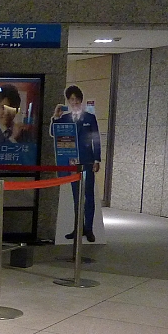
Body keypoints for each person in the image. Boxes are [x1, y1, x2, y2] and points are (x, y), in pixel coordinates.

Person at [51, 85, 101, 242]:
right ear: (68, 101)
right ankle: (78, 227)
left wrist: (97, 159)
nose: (74, 102)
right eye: (72, 99)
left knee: (89, 195)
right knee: (76, 196)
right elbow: (54, 133)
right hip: (72, 162)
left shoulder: (89, 118)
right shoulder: (64, 118)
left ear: (81, 100)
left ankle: (89, 229)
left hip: (87, 160)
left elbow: (96, 139)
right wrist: (55, 117)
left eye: (77, 99)